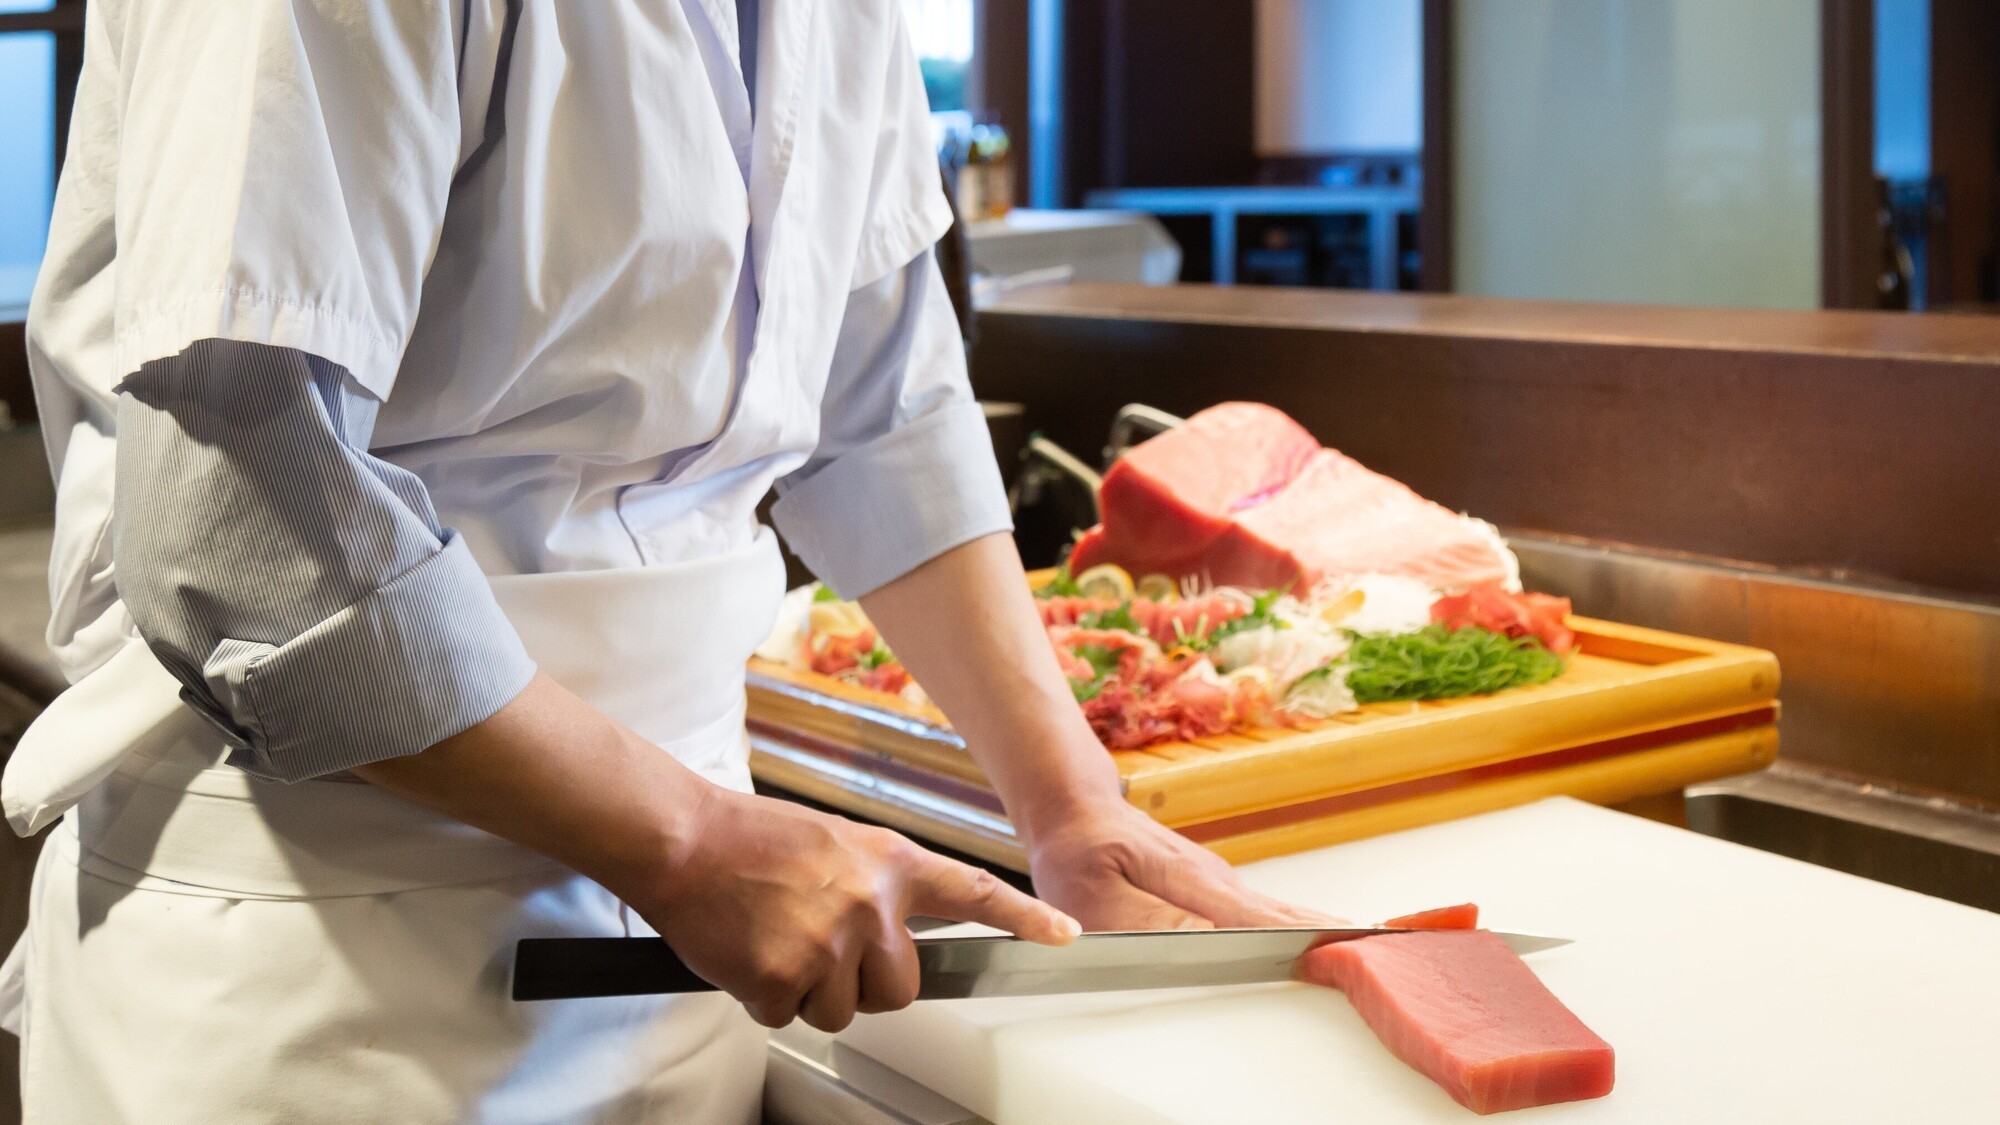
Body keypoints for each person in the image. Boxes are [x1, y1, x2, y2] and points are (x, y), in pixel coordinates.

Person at [4, 2, 1320, 1120]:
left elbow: (881, 402)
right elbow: (243, 500)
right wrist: (687, 842)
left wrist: (1070, 806)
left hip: (695, 934)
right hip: (322, 941)